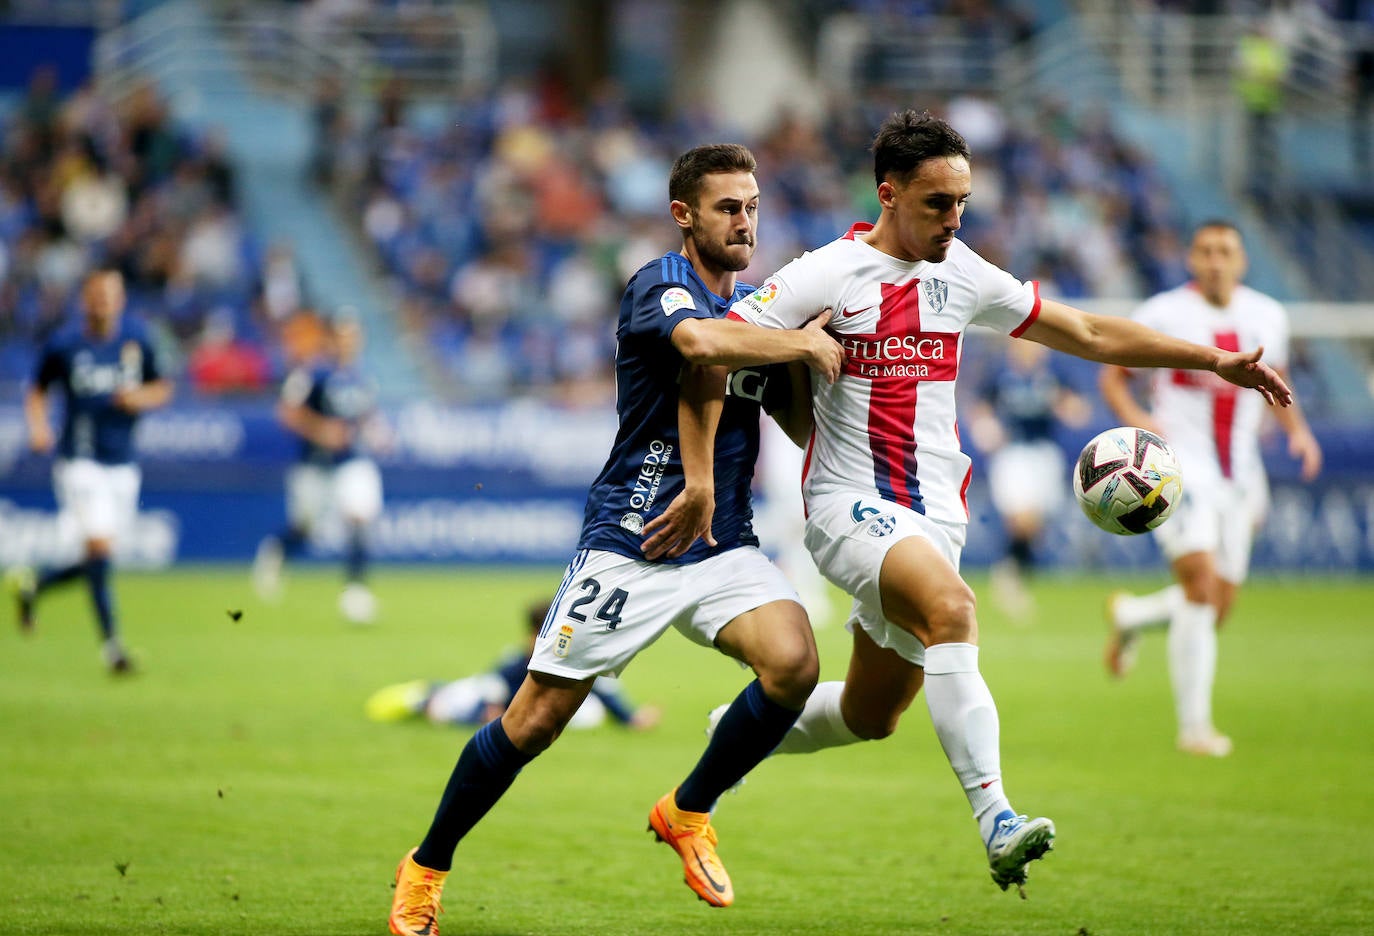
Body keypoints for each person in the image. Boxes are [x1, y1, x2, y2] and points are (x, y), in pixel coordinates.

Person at [701, 111, 1293, 895]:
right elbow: (714, 340)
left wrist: (1215, 360)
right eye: (937, 203)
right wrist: (798, 349)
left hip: (936, 514)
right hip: (847, 505)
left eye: (963, 202)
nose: (954, 218)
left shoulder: (963, 271)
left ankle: (734, 736)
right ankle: (998, 821)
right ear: (889, 193)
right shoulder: (827, 273)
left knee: (874, 716)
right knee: (954, 611)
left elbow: (1085, 331)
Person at [387, 143, 845, 935]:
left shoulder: (761, 318)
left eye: (753, 205)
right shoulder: (658, 286)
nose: (745, 221)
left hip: (724, 543)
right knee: (532, 722)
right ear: (684, 216)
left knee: (794, 664)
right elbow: (700, 348)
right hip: (634, 540)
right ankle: (426, 866)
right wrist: (803, 342)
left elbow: (799, 424)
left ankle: (689, 809)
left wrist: (810, 359)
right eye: (727, 208)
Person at [1099, 220, 1322, 757]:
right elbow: (1112, 375)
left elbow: (1279, 385)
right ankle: (1195, 728)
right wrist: (1140, 426)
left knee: (1217, 606)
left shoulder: (1268, 315)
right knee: (1199, 587)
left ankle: (1133, 616)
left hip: (1241, 474)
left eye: (1225, 252)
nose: (1215, 261)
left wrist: (1299, 433)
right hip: (1180, 470)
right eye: (1205, 251)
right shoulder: (1162, 314)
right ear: (1191, 259)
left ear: (1241, 260)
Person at [6, 264, 173, 673]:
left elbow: (163, 387)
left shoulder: (137, 339)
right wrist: (39, 426)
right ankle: (112, 647)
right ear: (86, 299)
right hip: (79, 461)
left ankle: (35, 587)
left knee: (102, 557)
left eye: (110, 295)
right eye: (96, 295)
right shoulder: (65, 343)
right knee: (98, 549)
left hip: (123, 462)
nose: (103, 302)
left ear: (121, 299)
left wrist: (140, 398)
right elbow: (37, 390)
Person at [252, 312, 387, 624]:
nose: (348, 344)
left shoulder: (363, 375)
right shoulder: (313, 373)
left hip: (350, 460)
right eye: (342, 337)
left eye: (353, 338)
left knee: (359, 515)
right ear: (330, 340)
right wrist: (321, 429)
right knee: (306, 528)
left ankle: (355, 590)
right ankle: (277, 550)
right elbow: (287, 413)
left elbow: (365, 416)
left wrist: (378, 433)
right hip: (315, 463)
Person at [364, 598, 663, 732]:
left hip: (513, 706)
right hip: (474, 697)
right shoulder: (517, 662)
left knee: (588, 716)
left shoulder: (575, 660)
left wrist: (631, 719)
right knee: (446, 706)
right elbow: (488, 704)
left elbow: (604, 690)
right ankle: (424, 697)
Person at [967, 338, 1091, 619]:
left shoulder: (1053, 374)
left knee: (1035, 526)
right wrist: (986, 427)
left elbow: (1076, 407)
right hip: (1013, 453)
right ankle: (1008, 577)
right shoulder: (1001, 373)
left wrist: (1068, 408)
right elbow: (982, 406)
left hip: (1045, 452)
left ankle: (1015, 574)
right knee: (1021, 519)